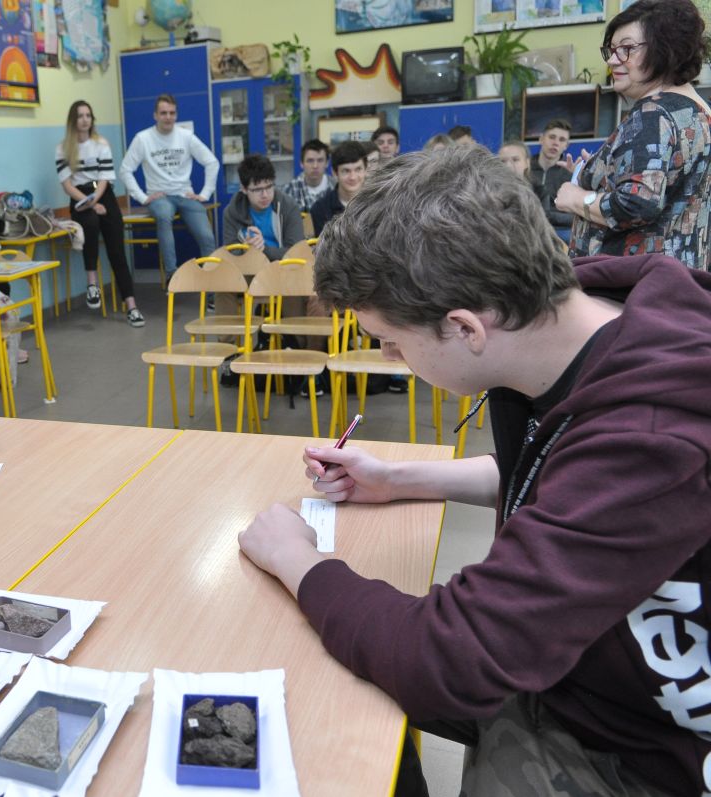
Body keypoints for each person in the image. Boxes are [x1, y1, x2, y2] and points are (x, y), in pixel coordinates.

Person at [238, 144, 711, 796]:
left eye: (394, 342)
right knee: (348, 693)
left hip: (644, 743)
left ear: (464, 328)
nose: (393, 356)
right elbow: (569, 473)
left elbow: (451, 656)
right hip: (581, 663)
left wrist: (300, 561)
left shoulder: (655, 433)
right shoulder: (586, 317)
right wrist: (399, 478)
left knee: (346, 701)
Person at [557, 0, 711, 270]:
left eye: (627, 49)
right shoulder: (700, 112)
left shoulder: (653, 113)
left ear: (666, 49)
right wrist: (601, 170)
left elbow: (638, 203)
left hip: (628, 289)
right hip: (677, 285)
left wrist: (577, 198)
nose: (613, 60)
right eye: (612, 50)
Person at [55, 100, 144, 327]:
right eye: (80, 116)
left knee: (117, 250)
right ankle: (92, 282)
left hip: (102, 192)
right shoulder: (63, 148)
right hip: (78, 195)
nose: (85, 119)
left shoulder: (101, 144)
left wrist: (96, 200)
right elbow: (67, 185)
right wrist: (91, 205)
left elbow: (104, 178)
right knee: (91, 223)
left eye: (88, 115)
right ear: (73, 121)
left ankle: (131, 305)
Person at [120, 93, 219, 279]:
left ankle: (212, 286)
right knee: (164, 216)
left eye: (172, 113)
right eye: (163, 113)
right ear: (155, 115)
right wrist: (142, 198)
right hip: (160, 197)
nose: (168, 117)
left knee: (207, 237)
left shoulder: (186, 136)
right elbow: (125, 170)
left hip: (185, 194)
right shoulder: (142, 138)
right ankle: (172, 275)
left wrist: (205, 194)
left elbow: (212, 162)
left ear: (176, 114)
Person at [222, 153, 303, 261]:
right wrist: (246, 249)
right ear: (244, 189)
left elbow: (295, 252)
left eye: (269, 187)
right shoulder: (231, 212)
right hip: (247, 271)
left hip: (283, 270)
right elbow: (231, 254)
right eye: (257, 190)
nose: (265, 195)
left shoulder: (289, 207)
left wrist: (263, 249)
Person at [308, 141, 368, 235]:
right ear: (335, 173)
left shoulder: (378, 204)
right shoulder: (320, 209)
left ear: (365, 170)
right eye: (346, 171)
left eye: (358, 169)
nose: (353, 177)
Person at [529, 119, 575, 238]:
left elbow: (575, 215)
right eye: (552, 137)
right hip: (528, 226)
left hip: (559, 231)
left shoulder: (571, 173)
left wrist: (547, 216)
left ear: (566, 146)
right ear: (541, 139)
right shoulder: (525, 168)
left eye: (562, 140)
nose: (556, 143)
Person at [283, 139, 335, 215]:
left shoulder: (336, 188)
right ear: (301, 163)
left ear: (327, 163)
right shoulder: (289, 191)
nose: (315, 166)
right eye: (310, 161)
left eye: (320, 160)